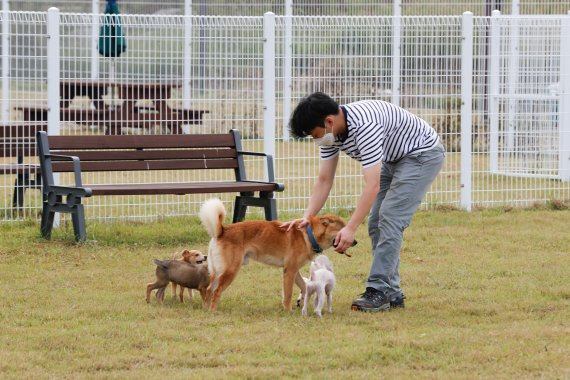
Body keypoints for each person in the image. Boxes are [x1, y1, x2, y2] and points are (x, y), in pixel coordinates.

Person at [282, 92, 445, 312]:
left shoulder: (364, 126)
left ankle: (377, 290)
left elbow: (372, 185)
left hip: (421, 155)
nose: (316, 139)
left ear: (329, 122)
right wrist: (307, 217)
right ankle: (392, 293)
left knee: (389, 218)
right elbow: (324, 180)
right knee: (376, 221)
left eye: (315, 134)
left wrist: (349, 229)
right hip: (393, 158)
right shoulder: (331, 133)